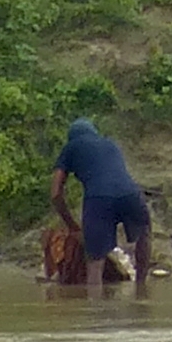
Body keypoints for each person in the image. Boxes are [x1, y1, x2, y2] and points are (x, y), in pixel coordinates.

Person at [51, 116, 154, 288]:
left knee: (95, 259)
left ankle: (96, 307)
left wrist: (72, 225)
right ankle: (141, 289)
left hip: (98, 199)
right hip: (130, 193)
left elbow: (55, 193)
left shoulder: (70, 147)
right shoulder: (110, 144)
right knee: (144, 233)